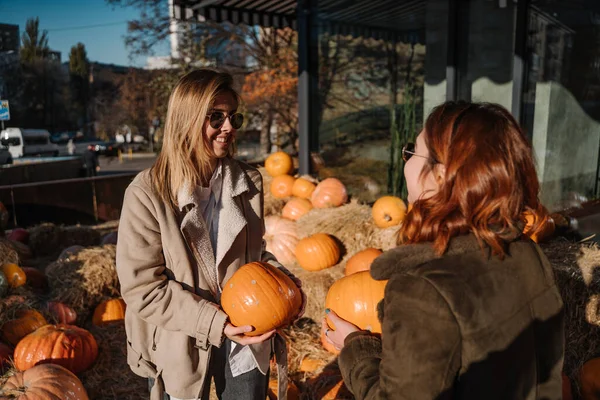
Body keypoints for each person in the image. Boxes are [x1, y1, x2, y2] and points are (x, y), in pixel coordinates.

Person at [323, 101, 564, 399]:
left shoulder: (424, 288)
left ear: (439, 176)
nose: (405, 161)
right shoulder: (528, 253)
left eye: (412, 151)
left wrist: (357, 347)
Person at [116, 69, 305, 400]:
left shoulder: (248, 182)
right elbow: (142, 288)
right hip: (180, 333)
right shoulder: (147, 194)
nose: (229, 127)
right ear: (186, 121)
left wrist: (281, 282)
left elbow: (254, 255)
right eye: (216, 118)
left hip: (248, 331)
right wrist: (216, 322)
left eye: (233, 117)